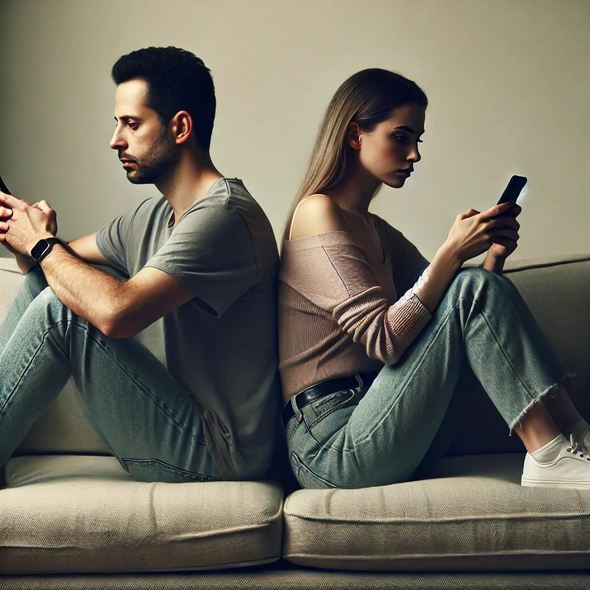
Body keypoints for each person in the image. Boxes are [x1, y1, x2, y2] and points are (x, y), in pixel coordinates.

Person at [278, 68, 590, 490]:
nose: (414, 155)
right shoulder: (317, 213)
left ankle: (576, 435)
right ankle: (549, 456)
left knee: (471, 284)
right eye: (401, 137)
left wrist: (493, 256)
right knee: (463, 283)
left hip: (389, 423)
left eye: (417, 141)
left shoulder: (377, 230)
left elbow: (462, 314)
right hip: (332, 447)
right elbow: (383, 339)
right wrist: (452, 252)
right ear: (356, 136)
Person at [0, 46, 281, 483]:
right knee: (50, 285)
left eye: (131, 124)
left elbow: (118, 314)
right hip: (174, 419)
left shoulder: (225, 216)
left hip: (218, 452)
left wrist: (41, 245)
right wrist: (26, 233)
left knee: (62, 310)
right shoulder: (150, 217)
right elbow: (52, 266)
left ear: (181, 127)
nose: (115, 139)